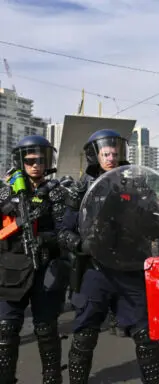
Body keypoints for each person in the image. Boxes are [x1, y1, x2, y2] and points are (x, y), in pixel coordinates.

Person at [58, 129, 159, 383]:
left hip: (130, 267)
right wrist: (81, 245)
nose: (111, 157)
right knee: (84, 335)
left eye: (115, 153)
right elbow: (64, 232)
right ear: (95, 155)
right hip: (97, 270)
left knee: (147, 336)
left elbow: (156, 223)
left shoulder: (136, 185)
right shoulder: (81, 189)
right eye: (105, 153)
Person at [0, 136, 67, 383]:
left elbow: (65, 231)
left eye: (41, 159)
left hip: (45, 265)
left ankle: (52, 379)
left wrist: (45, 239)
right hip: (11, 267)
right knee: (6, 330)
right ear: (20, 161)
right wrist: (16, 222)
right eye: (30, 160)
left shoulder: (57, 192)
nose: (36, 165)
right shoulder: (4, 192)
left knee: (46, 329)